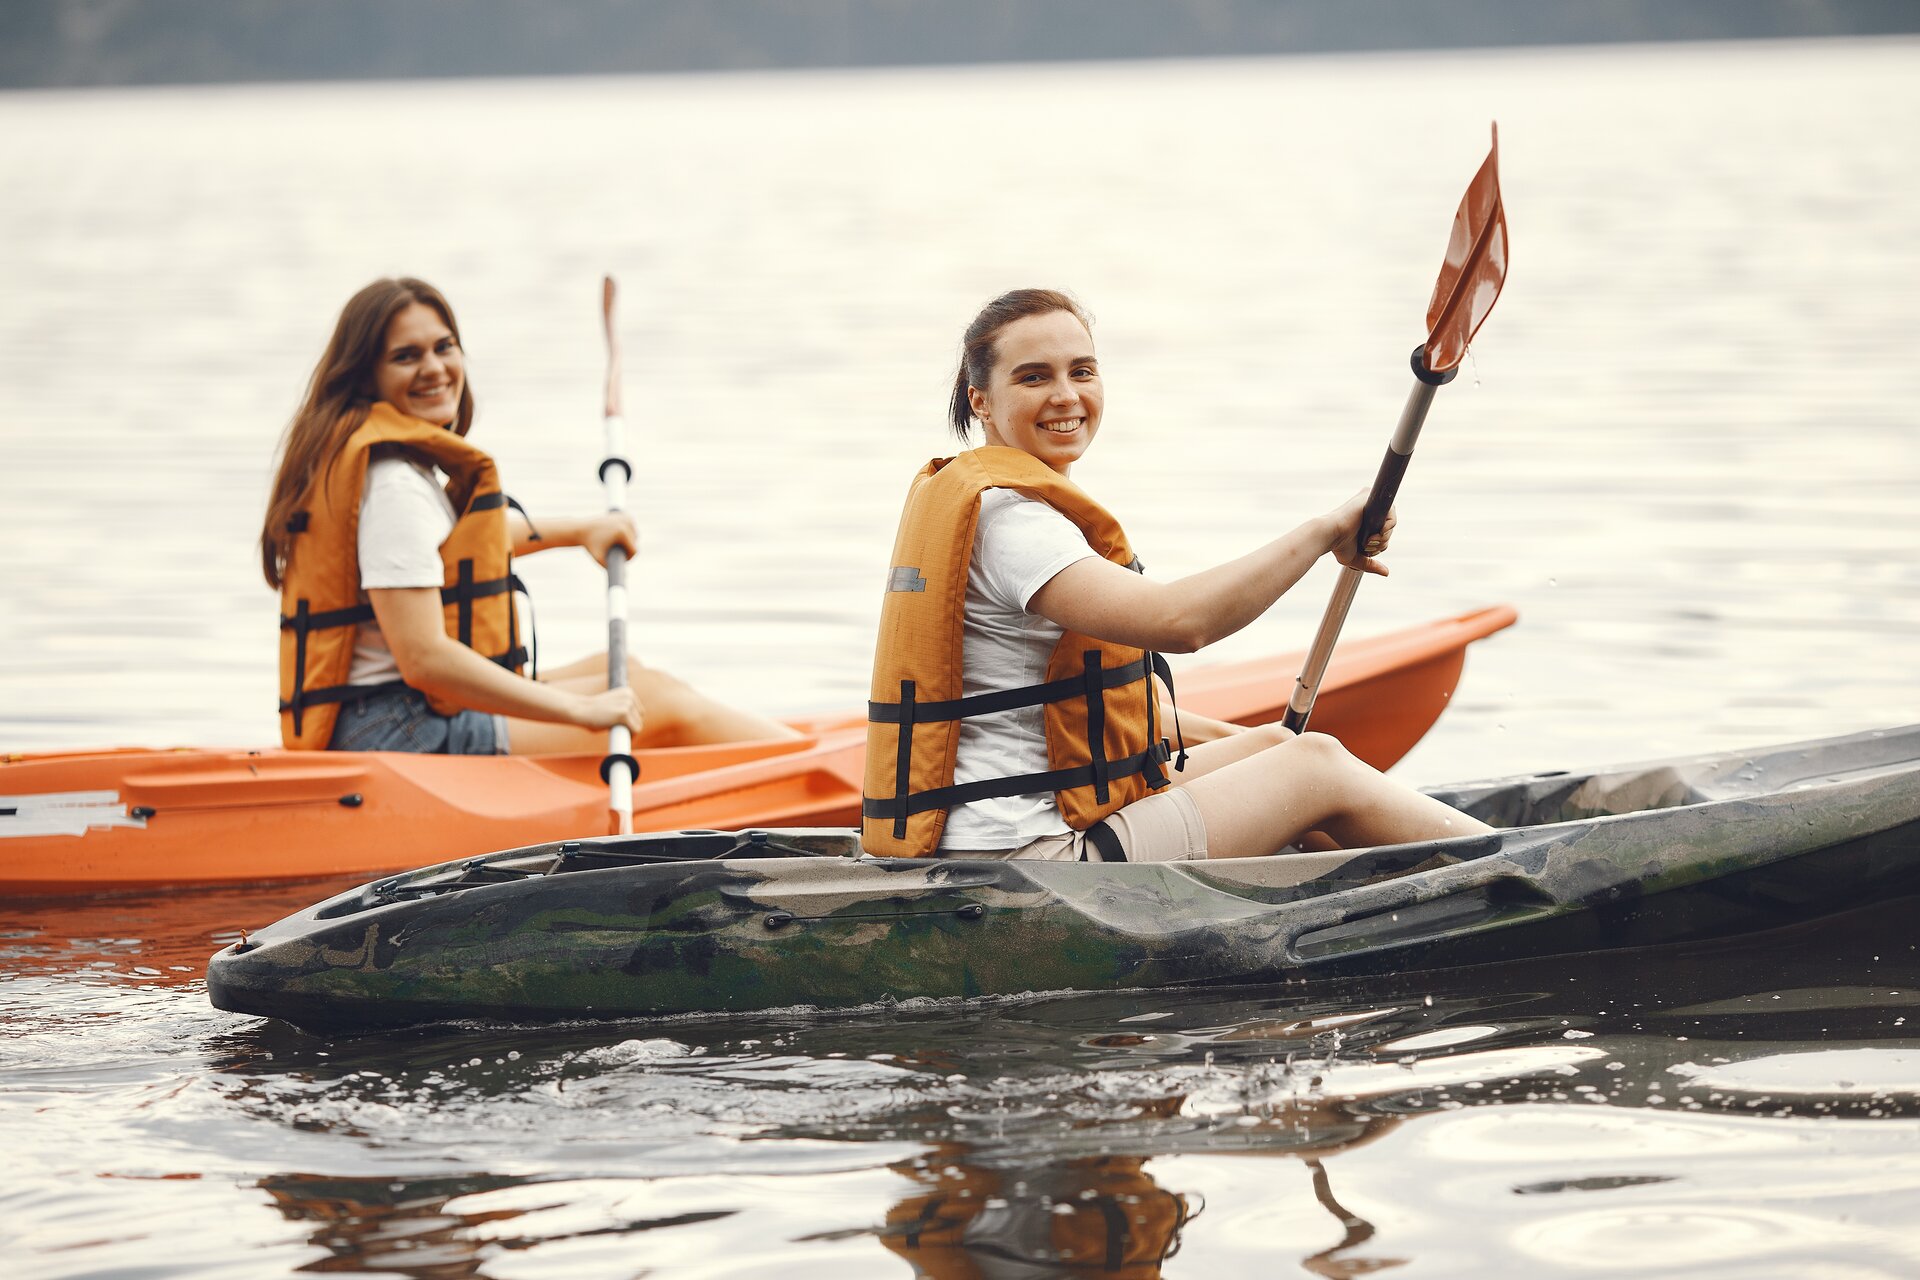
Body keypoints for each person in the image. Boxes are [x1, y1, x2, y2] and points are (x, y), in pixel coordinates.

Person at [862, 288, 1492, 861]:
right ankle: (1528, 866)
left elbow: (1128, 713)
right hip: (1028, 856)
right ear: (983, 401)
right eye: (1033, 377)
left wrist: (1252, 745)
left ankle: (1390, 883)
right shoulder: (1013, 525)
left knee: (1281, 749)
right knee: (1317, 764)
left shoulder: (1001, 506)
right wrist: (1325, 532)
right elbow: (1180, 623)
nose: (1065, 395)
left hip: (1015, 828)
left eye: (1081, 371)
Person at [260, 276, 798, 754]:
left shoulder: (391, 467)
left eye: (444, 347)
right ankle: (833, 778)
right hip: (398, 730)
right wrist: (583, 715)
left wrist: (582, 530)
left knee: (629, 671)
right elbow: (424, 659)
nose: (434, 368)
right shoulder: (393, 487)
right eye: (406, 356)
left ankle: (806, 754)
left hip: (397, 713)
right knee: (654, 699)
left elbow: (455, 549)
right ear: (366, 378)